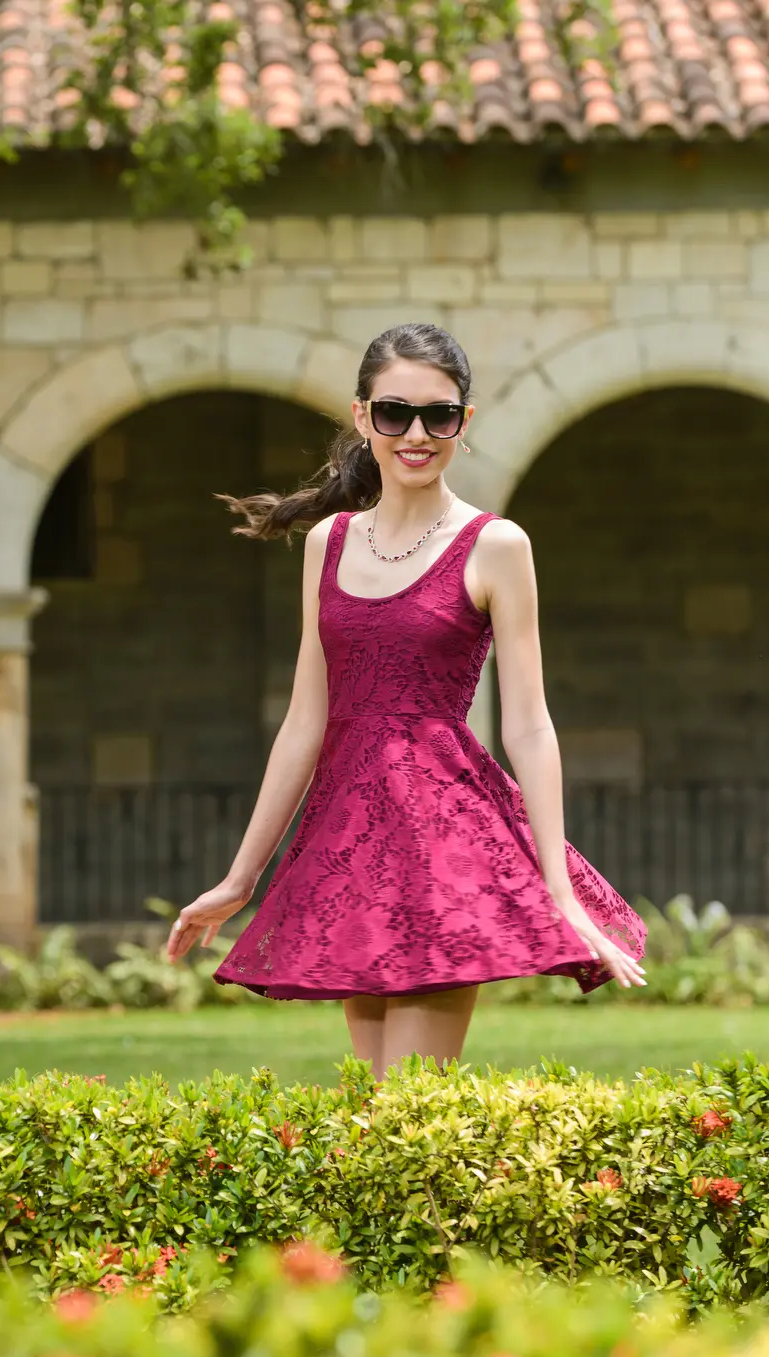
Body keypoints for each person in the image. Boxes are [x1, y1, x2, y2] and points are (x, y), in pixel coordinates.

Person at [163, 322, 647, 1073]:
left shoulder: (496, 545)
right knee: (376, 1120)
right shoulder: (330, 543)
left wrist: (558, 886)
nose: (416, 434)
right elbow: (305, 721)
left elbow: (529, 723)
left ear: (463, 422)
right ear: (363, 417)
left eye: (439, 416)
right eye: (394, 414)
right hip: (351, 838)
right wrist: (240, 876)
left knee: (409, 1109)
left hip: (441, 842)